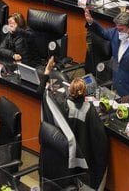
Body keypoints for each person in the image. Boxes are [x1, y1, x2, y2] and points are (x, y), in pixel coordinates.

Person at [41, 57, 109, 191]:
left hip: (64, 157)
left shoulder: (61, 103)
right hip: (84, 157)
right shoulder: (89, 109)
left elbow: (45, 93)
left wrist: (47, 71)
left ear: (69, 90)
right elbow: (100, 139)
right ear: (84, 92)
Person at [84, 9, 129, 99]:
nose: (118, 32)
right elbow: (104, 33)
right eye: (117, 28)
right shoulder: (116, 32)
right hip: (116, 88)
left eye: (121, 29)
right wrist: (91, 22)